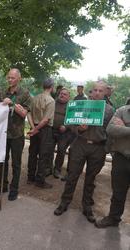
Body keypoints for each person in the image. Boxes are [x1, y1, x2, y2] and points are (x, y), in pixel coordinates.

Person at [54, 81, 114, 223]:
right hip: (80, 144)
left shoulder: (110, 110)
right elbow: (70, 124)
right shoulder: (81, 106)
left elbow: (111, 132)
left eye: (100, 90)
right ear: (91, 92)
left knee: (91, 179)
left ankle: (87, 206)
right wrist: (79, 129)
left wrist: (106, 149)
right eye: (95, 90)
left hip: (98, 148)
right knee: (72, 175)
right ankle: (64, 202)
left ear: (105, 92)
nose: (97, 92)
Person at [0, 68, 31, 201]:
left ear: (19, 78)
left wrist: (12, 103)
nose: (10, 80)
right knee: (2, 161)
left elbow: (25, 113)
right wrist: (1, 105)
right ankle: (2, 185)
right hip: (3, 133)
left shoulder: (25, 93)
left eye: (13, 78)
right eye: (8, 77)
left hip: (17, 134)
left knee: (16, 163)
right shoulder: (3, 92)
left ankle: (14, 189)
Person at [95, 105, 130, 228]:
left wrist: (124, 127)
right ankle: (114, 218)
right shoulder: (122, 111)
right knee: (118, 192)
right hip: (121, 158)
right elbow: (110, 129)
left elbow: (118, 130)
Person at [27, 78, 55, 189]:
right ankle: (40, 180)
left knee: (33, 153)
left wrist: (33, 128)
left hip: (34, 127)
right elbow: (46, 120)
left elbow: (28, 113)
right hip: (45, 130)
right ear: (51, 87)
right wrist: (37, 128)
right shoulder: (51, 101)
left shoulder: (34, 98)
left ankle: (30, 177)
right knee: (43, 155)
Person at [52, 88, 75, 179]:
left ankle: (57, 169)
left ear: (69, 97)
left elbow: (73, 119)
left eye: (65, 94)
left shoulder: (71, 106)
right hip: (52, 130)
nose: (62, 95)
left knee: (61, 151)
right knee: (48, 150)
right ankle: (47, 168)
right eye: (61, 93)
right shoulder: (53, 103)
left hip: (64, 133)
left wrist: (66, 126)